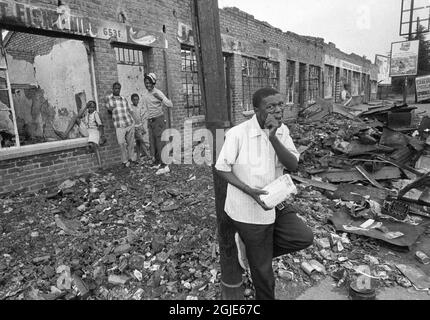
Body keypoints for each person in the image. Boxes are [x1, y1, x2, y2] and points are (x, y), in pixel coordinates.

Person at [215, 87, 314, 300]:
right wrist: (249, 191)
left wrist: (273, 138)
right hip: (248, 208)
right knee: (264, 273)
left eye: (281, 104)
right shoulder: (238, 133)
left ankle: (251, 251)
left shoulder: (282, 131)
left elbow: (293, 165)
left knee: (303, 237)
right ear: (256, 110)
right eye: (271, 106)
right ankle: (257, 262)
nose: (278, 110)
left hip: (275, 201)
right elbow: (221, 168)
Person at [141, 73, 173, 175]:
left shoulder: (158, 92)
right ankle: (157, 162)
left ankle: (165, 166)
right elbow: (145, 108)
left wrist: (160, 98)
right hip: (150, 121)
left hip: (158, 120)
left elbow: (170, 104)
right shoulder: (146, 94)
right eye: (146, 83)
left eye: (149, 83)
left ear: (153, 83)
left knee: (160, 143)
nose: (148, 85)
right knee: (154, 142)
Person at [103, 82, 136, 168]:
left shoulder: (124, 99)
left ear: (120, 89)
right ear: (113, 89)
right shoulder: (109, 99)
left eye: (118, 88)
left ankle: (131, 159)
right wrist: (109, 98)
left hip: (129, 123)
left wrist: (135, 122)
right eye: (115, 88)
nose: (117, 90)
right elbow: (108, 108)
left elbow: (130, 110)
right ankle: (124, 161)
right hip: (119, 125)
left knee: (131, 143)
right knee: (121, 143)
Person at [77, 100, 106, 168]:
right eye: (90, 107)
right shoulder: (87, 113)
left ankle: (100, 165)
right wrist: (85, 107)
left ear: (95, 108)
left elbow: (100, 125)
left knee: (94, 146)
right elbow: (79, 116)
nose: (91, 109)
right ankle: (65, 134)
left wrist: (102, 136)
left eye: (93, 107)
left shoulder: (95, 114)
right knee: (76, 118)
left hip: (94, 130)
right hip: (87, 130)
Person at [130, 93, 150, 161]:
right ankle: (148, 155)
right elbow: (132, 117)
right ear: (132, 100)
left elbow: (140, 118)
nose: (136, 101)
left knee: (138, 142)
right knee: (142, 141)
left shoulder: (139, 107)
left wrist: (142, 127)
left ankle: (138, 157)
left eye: (137, 100)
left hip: (139, 126)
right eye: (134, 100)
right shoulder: (130, 107)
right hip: (134, 127)